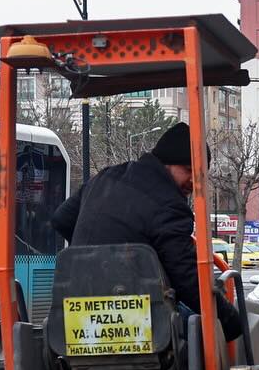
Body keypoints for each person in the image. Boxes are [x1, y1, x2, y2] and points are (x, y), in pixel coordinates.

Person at [52, 122, 242, 339]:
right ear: (166, 163)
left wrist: (95, 255)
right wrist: (231, 322)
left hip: (76, 304)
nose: (194, 181)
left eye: (200, 175)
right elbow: (186, 279)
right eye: (188, 170)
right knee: (195, 326)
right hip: (134, 316)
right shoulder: (170, 205)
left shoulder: (107, 176)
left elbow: (61, 219)